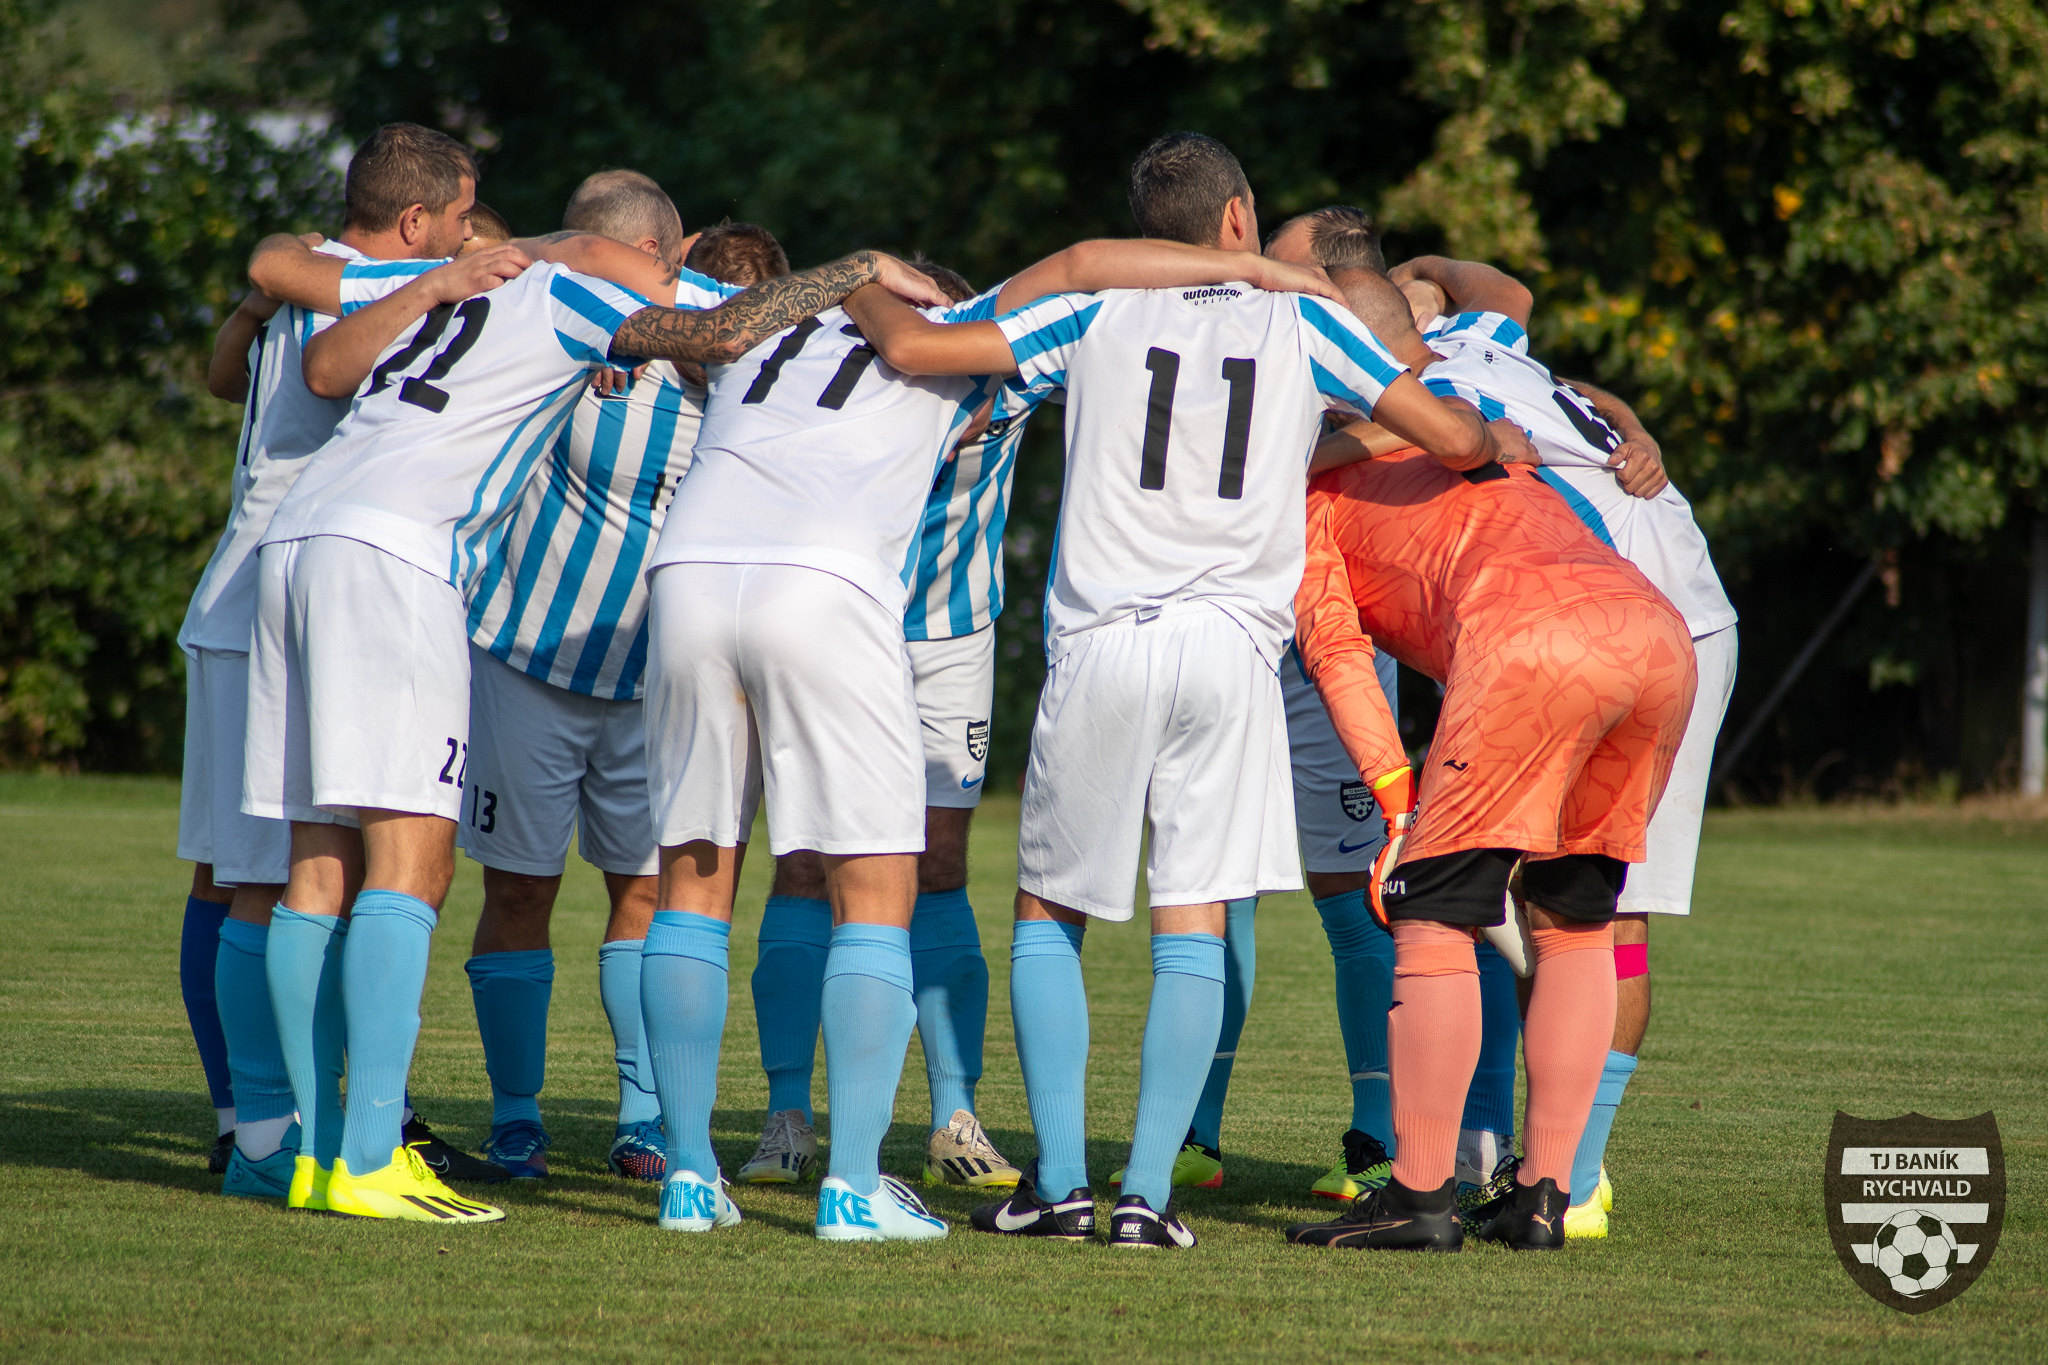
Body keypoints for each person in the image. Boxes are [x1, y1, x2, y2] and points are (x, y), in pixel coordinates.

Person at [845, 131, 1527, 1249]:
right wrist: (1483, 434)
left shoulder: (1096, 303)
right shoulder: (1304, 317)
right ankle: (1148, 1200)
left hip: (1109, 636)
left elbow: (928, 351)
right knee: (1192, 923)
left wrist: (859, 281)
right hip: (1233, 652)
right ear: (1237, 220)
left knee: (1049, 916)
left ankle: (1058, 1182)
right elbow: (1450, 437)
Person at [636, 214, 1350, 1240]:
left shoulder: (759, 328)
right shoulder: (955, 338)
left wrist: (844, 271)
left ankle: (689, 1178)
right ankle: (849, 1185)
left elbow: (628, 285)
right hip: (828, 583)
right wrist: (1236, 266)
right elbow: (1078, 263)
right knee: (879, 889)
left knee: (694, 875)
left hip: (689, 574)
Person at [240, 222, 947, 1223]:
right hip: (400, 555)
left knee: (317, 866)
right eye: (659, 267)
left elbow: (316, 356)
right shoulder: (576, 296)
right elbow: (724, 332)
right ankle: (367, 1157)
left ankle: (313, 1154)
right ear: (604, 257)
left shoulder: (463, 286)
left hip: (300, 535)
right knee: (413, 866)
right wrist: (859, 267)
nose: (671, 283)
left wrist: (440, 276)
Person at [1278, 264, 1696, 1252]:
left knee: (1430, 917)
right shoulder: (1484, 425)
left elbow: (1338, 657)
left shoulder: (1311, 488)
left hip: (1527, 646)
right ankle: (1541, 1198)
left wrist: (1394, 803)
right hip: (1647, 630)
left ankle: (1419, 1194)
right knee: (1573, 921)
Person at [180, 122, 504, 1195]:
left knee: (265, 876)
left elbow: (232, 365)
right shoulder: (383, 285)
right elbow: (271, 271)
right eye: (461, 219)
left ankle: (285, 1121)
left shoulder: (324, 276)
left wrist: (260, 290)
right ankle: (265, 1129)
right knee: (263, 879)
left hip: (261, 586)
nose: (472, 238)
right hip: (293, 591)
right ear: (417, 223)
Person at [1391, 253, 1740, 1238]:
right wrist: (1624, 425)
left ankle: (1572, 1180)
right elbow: (1510, 300)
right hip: (1597, 617)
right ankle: (1532, 1164)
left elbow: (1497, 303)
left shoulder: (1441, 367)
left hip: (1649, 619)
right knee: (1539, 902)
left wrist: (1414, 267)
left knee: (1600, 913)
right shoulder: (1482, 344)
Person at [454, 174, 763, 1186]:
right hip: (525, 658)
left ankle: (642, 1119)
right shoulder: (547, 336)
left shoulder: (726, 360)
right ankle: (515, 1120)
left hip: (655, 683)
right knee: (518, 891)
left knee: (645, 893)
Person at [736, 256, 1029, 1195]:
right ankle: (788, 1115)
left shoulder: (1014, 372)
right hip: (831, 623)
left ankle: (953, 1114)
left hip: (949, 639)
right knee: (807, 859)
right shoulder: (837, 372)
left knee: (940, 863)